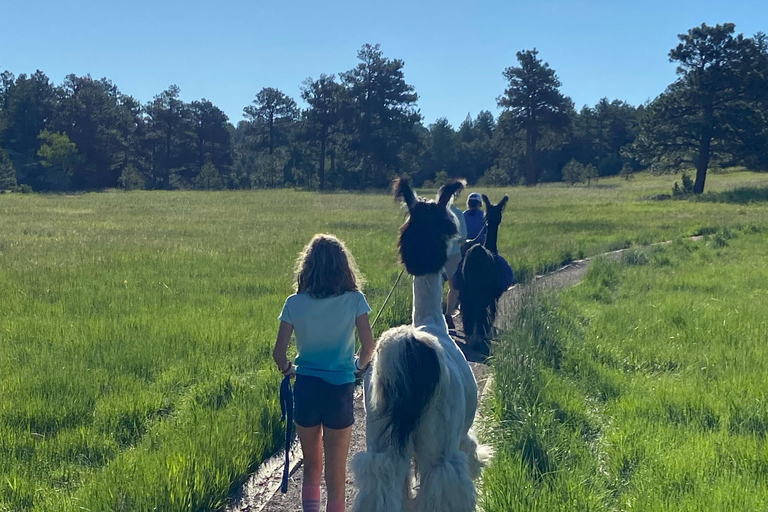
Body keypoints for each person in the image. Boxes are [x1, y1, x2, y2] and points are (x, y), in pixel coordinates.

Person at [273, 234, 375, 512]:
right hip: (339, 391)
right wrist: (357, 367)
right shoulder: (355, 300)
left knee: (311, 467)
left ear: (307, 267)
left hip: (305, 389)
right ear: (343, 267)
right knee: (336, 473)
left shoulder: (294, 303)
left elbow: (279, 353)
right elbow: (369, 347)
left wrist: (289, 370)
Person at [444, 188, 468, 330]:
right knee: (454, 287)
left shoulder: (434, 212)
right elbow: (463, 237)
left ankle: (437, 316)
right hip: (453, 254)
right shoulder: (458, 213)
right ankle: (448, 314)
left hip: (437, 255)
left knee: (436, 286)